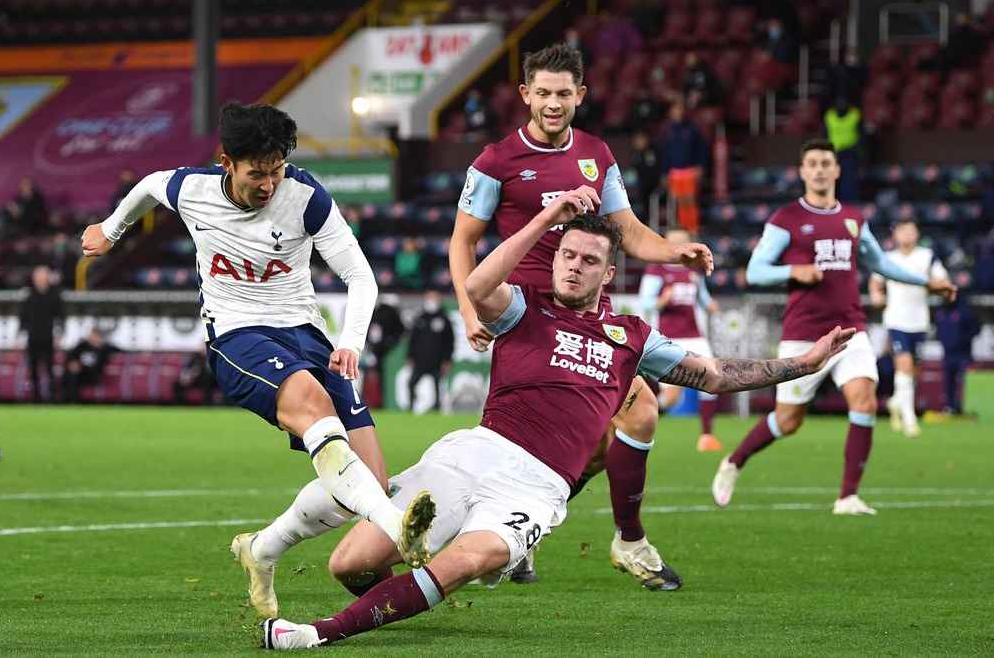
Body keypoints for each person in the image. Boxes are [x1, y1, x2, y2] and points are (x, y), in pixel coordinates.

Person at [259, 204, 854, 651]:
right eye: (567, 254)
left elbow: (717, 375)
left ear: (608, 272)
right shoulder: (525, 307)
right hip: (474, 454)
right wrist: (546, 217)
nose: (574, 266)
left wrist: (804, 363)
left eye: (588, 260)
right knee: (350, 566)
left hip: (535, 487)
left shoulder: (632, 336)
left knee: (471, 558)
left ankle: (318, 634)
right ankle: (418, 586)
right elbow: (475, 287)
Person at [80, 102, 435, 619]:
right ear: (227, 162)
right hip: (238, 335)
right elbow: (151, 185)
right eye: (257, 173)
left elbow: (362, 277)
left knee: (368, 480)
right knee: (315, 409)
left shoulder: (307, 197)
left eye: (276, 170)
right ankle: (396, 525)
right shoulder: (193, 189)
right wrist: (111, 229)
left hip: (306, 335)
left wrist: (351, 342)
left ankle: (263, 549)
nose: (268, 183)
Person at [448, 43, 715, 590]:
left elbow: (630, 230)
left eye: (563, 94)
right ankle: (615, 539)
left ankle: (596, 538)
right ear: (526, 95)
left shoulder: (597, 153)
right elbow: (463, 242)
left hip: (593, 316)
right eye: (542, 93)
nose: (552, 103)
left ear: (580, 96)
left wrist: (674, 252)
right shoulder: (496, 161)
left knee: (618, 430)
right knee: (545, 437)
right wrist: (467, 308)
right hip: (529, 321)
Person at [713, 139, 957, 516]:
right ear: (803, 171)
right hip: (802, 334)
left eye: (826, 162)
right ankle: (734, 461)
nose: (820, 169)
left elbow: (880, 263)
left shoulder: (855, 218)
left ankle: (847, 497)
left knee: (864, 400)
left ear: (837, 170)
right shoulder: (786, 219)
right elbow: (756, 270)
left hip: (849, 330)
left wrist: (926, 282)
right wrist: (794, 270)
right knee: (789, 420)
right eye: (812, 163)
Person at [639, 229, 722, 452]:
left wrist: (711, 306)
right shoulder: (656, 270)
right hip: (670, 337)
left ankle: (707, 435)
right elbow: (646, 303)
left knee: (712, 381)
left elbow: (702, 298)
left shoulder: (693, 270)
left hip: (695, 336)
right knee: (672, 397)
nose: (677, 246)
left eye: (682, 242)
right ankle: (639, 424)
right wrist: (661, 301)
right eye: (672, 242)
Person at [868, 220, 948, 436]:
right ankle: (910, 419)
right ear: (895, 235)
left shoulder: (927, 256)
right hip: (896, 320)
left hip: (919, 321)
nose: (907, 235)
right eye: (903, 231)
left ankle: (896, 402)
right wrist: (877, 295)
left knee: (913, 371)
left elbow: (941, 280)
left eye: (911, 231)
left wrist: (943, 287)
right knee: (903, 363)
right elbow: (875, 282)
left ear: (917, 234)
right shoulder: (888, 258)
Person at [659, 100, 709, 234]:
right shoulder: (667, 131)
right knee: (677, 201)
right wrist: (664, 172)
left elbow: (701, 149)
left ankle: (693, 228)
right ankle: (681, 228)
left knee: (689, 201)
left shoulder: (693, 129)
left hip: (689, 170)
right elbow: (665, 153)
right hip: (674, 172)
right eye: (675, 110)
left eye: (680, 109)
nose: (677, 112)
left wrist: (700, 166)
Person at [20, 265, 65, 403]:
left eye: (42, 276)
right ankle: (35, 396)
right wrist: (21, 335)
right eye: (37, 277)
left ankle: (51, 396)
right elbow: (23, 317)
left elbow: (61, 316)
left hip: (48, 336)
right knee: (32, 367)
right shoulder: (29, 296)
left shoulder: (55, 295)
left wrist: (59, 333)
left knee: (49, 366)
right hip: (32, 336)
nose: (39, 279)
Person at [405, 290, 455, 412]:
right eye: (428, 299)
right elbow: (413, 339)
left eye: (433, 299)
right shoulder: (420, 318)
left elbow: (450, 342)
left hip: (437, 361)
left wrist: (447, 360)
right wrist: (410, 356)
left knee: (438, 385)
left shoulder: (444, 319)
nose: (430, 302)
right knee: (411, 383)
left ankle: (437, 408)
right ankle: (411, 406)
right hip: (420, 361)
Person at [934, 287, 980, 415]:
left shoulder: (965, 312)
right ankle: (949, 407)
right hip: (947, 354)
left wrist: (962, 340)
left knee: (962, 382)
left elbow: (975, 329)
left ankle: (960, 407)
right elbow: (938, 330)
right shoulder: (940, 312)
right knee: (948, 382)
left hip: (962, 354)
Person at [61, 328, 117, 403]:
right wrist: (73, 363)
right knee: (71, 374)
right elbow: (70, 356)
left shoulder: (104, 348)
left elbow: (118, 351)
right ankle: (70, 400)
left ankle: (74, 400)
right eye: (92, 335)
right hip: (80, 373)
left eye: (95, 336)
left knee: (75, 376)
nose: (93, 337)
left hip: (93, 375)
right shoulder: (82, 346)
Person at [824, 96, 862, 202]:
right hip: (833, 153)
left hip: (849, 151)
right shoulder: (829, 116)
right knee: (832, 179)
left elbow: (861, 135)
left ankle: (848, 203)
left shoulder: (855, 115)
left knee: (849, 181)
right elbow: (825, 134)